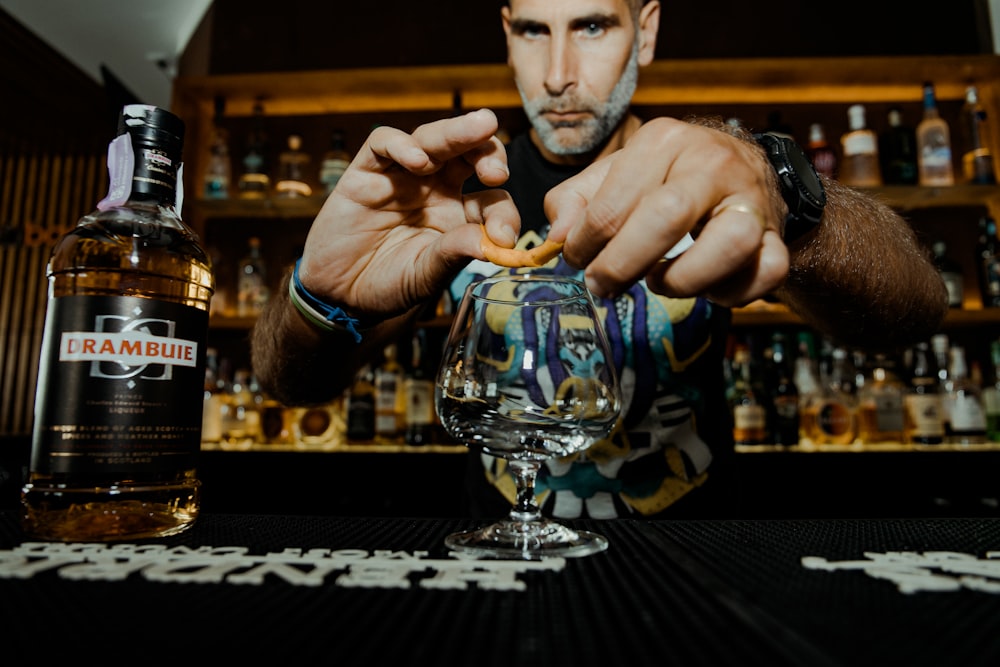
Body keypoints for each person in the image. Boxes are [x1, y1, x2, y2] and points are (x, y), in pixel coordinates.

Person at [251, 0, 948, 519]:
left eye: (591, 26)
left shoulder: (704, 175)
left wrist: (782, 192)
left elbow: (915, 311)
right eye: (533, 30)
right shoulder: (453, 195)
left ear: (644, 29)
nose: (558, 75)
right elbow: (292, 385)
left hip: (695, 571)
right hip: (500, 567)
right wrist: (320, 297)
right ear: (506, 31)